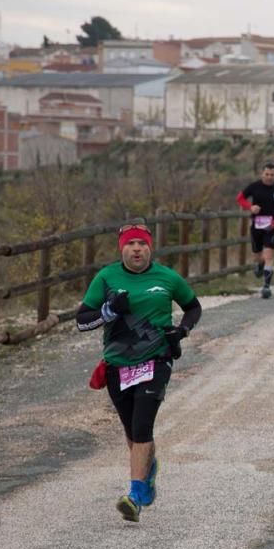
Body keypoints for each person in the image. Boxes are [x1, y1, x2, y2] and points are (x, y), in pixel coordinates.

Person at [76, 223, 202, 522]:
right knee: (132, 431)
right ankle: (148, 468)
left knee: (143, 425)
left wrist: (181, 330)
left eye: (142, 244)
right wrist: (108, 311)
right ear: (122, 248)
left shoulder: (167, 277)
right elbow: (82, 321)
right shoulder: (106, 278)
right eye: (131, 244)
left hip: (156, 360)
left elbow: (193, 307)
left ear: (150, 248)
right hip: (117, 364)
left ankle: (133, 496)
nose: (137, 249)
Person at [237, 163, 274, 299]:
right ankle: (259, 264)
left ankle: (266, 286)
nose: (269, 177)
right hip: (256, 226)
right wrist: (250, 207)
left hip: (271, 226)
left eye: (272, 175)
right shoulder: (254, 186)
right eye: (267, 174)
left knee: (269, 255)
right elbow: (240, 198)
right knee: (257, 255)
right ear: (262, 174)